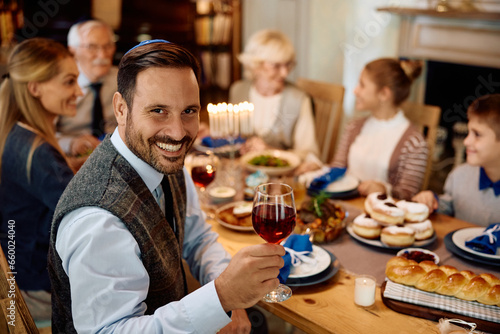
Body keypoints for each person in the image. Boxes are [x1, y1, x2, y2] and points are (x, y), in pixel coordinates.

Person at [48, 39, 285, 333]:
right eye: (158, 110)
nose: (177, 133)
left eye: (189, 111)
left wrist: (228, 299)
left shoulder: (161, 159)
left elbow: (198, 238)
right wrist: (221, 297)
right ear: (121, 109)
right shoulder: (97, 220)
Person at [0, 37, 81, 321]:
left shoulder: (17, 135)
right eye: (69, 82)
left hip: (19, 272)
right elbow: (82, 216)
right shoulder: (38, 153)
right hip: (35, 290)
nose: (79, 91)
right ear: (34, 87)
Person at [330, 58, 428, 200]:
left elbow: (408, 196)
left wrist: (384, 189)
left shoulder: (414, 142)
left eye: (362, 85)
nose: (355, 90)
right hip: (344, 206)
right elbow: (337, 168)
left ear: (384, 94)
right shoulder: (353, 127)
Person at [228, 29, 320, 161]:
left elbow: (309, 155)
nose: (285, 73)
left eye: (288, 64)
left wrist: (270, 151)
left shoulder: (298, 99)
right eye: (276, 66)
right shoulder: (238, 91)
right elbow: (230, 138)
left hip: (280, 177)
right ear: (255, 65)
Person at [412, 94, 500, 226]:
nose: (466, 141)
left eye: (477, 134)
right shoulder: (460, 175)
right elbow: (447, 207)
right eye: (468, 132)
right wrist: (431, 202)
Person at [56, 19, 118, 160]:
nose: (102, 55)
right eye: (91, 47)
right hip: (71, 158)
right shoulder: (57, 84)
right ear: (72, 50)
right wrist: (70, 144)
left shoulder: (124, 80)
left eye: (108, 46)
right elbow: (39, 133)